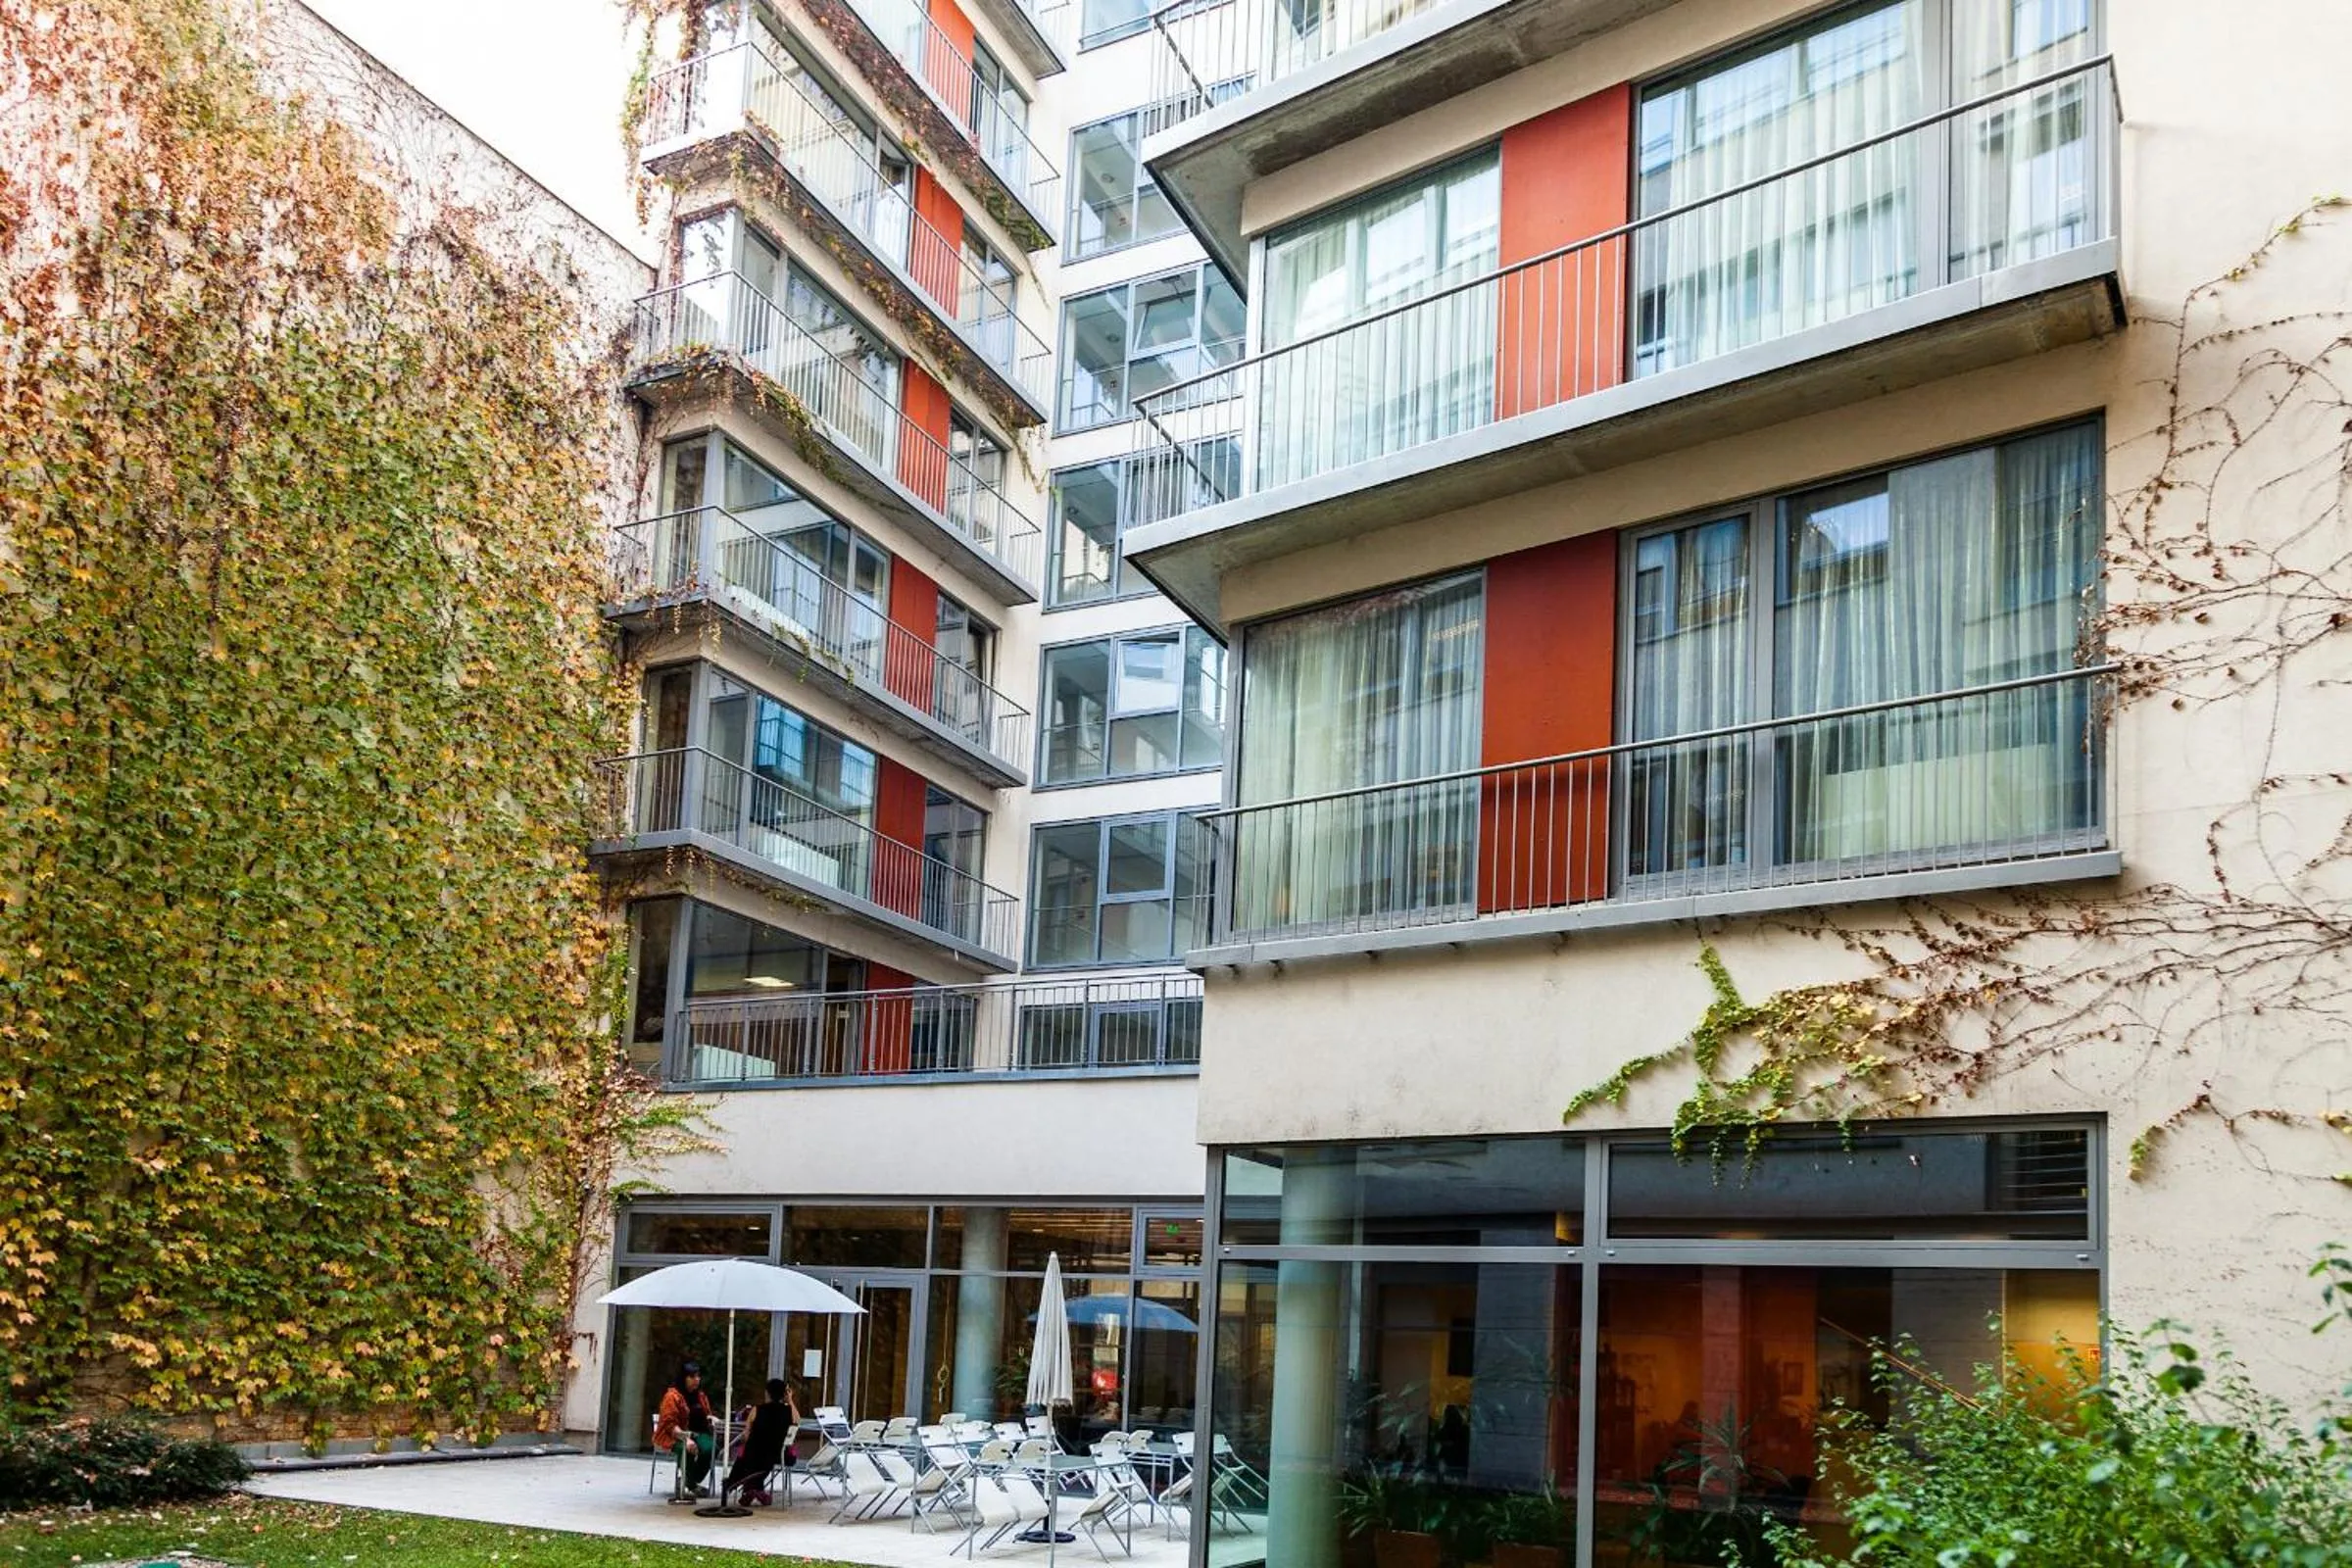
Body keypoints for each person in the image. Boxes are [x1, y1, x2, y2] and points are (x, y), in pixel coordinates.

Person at [724, 1377, 803, 1506]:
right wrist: (790, 1400)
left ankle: (750, 1489)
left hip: (754, 1454)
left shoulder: (757, 1410)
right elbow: (798, 1421)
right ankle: (756, 1491)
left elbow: (746, 1434)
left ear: (767, 1393)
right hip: (777, 1454)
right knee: (760, 1460)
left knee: (746, 1456)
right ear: (785, 1393)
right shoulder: (788, 1411)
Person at [654, 1361, 716, 1498]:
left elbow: (706, 1414)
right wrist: (685, 1438)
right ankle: (692, 1485)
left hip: (699, 1433)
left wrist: (712, 1419)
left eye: (698, 1376)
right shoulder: (672, 1397)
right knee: (686, 1449)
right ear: (684, 1378)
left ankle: (690, 1481)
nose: (697, 1380)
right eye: (692, 1377)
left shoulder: (700, 1396)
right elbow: (670, 1424)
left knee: (711, 1448)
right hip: (675, 1435)